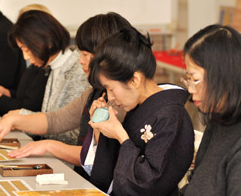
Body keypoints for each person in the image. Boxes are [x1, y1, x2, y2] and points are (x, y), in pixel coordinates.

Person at [0, 12, 130, 168]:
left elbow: (96, 156)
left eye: (85, 54)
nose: (80, 60)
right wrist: (14, 120)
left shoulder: (119, 99)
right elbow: (56, 120)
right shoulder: (94, 92)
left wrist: (48, 145)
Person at [82, 26, 194, 195]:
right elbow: (109, 173)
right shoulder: (140, 106)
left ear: (134, 80)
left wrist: (120, 135)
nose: (110, 97)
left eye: (111, 88)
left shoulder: (172, 117)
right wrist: (103, 129)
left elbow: (147, 183)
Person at [0, 10, 89, 144]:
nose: (25, 57)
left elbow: (72, 133)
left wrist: (20, 118)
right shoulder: (53, 66)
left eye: (27, 49)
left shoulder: (78, 70)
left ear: (47, 41)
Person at [178, 25, 241, 195]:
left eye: (195, 79)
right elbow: (194, 184)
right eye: (187, 79)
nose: (190, 90)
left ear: (223, 76)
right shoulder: (219, 120)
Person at [0, 6, 56, 116]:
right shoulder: (35, 63)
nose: (25, 56)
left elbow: (30, 107)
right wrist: (6, 93)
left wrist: (0, 99)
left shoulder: (47, 67)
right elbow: (25, 96)